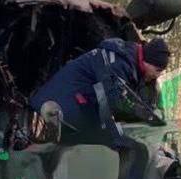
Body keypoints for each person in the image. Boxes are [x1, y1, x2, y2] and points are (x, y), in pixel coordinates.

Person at [30, 36, 170, 140]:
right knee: (106, 144)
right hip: (59, 103)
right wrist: (149, 117)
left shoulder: (132, 66)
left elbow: (134, 103)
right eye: (158, 70)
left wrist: (152, 115)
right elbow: (116, 103)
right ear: (146, 61)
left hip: (76, 106)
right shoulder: (117, 63)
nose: (158, 75)